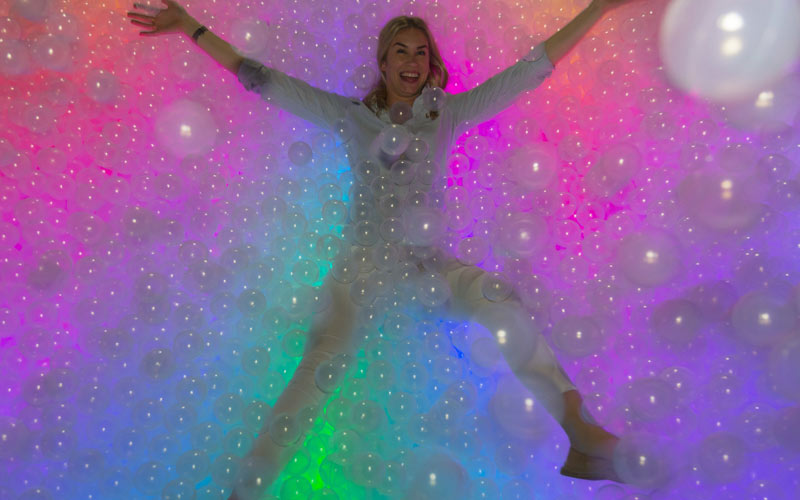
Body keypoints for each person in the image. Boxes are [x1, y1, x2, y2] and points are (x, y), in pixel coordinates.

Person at [128, 0, 643, 496]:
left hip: (427, 269)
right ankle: (244, 493)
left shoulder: (446, 116)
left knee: (497, 298)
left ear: (431, 64)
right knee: (317, 372)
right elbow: (260, 79)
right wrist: (190, 26)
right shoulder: (350, 116)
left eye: (421, 52)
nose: (413, 62)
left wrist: (596, 9)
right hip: (361, 271)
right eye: (401, 51)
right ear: (382, 61)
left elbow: (528, 70)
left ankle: (581, 435)